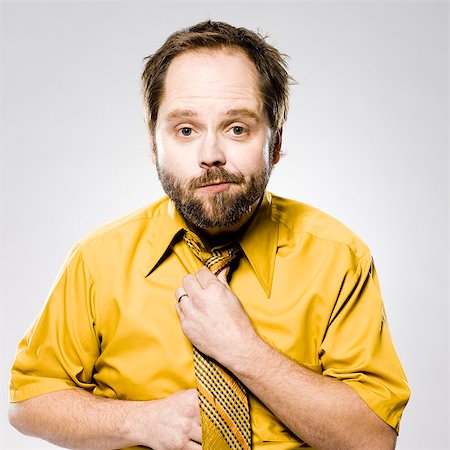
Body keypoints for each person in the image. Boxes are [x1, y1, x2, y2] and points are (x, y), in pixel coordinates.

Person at [8, 20, 410, 450]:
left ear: (274, 143)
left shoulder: (339, 257)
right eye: (186, 130)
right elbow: (29, 402)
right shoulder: (97, 260)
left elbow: (372, 439)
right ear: (153, 145)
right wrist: (141, 422)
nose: (211, 155)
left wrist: (244, 351)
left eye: (237, 128)